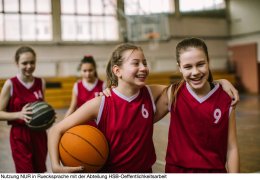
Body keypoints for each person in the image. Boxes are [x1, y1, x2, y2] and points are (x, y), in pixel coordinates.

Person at [48, 43, 239, 173]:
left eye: (145, 63)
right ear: (117, 71)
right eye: (136, 63)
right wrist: (56, 166)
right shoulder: (101, 102)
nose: (143, 67)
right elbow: (56, 130)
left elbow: (189, 86)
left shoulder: (150, 93)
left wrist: (220, 81)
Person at [154, 37, 240, 173]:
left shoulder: (226, 98)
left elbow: (232, 147)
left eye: (200, 64)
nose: (195, 72)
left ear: (208, 62)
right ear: (180, 68)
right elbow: (144, 121)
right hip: (177, 171)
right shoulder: (173, 93)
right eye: (188, 66)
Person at [0, 46, 48, 173]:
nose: (29, 66)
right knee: (26, 173)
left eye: (32, 62)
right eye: (24, 63)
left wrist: (47, 117)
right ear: (17, 63)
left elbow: (43, 106)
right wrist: (18, 115)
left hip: (39, 135)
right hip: (20, 136)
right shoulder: (10, 84)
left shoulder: (41, 82)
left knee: (40, 172)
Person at [64, 55, 106, 119]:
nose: (87, 74)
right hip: (81, 122)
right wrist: (63, 123)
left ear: (95, 69)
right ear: (80, 71)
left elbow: (106, 109)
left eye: (90, 70)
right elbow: (72, 108)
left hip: (97, 123)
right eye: (85, 71)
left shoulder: (103, 85)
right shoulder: (77, 86)